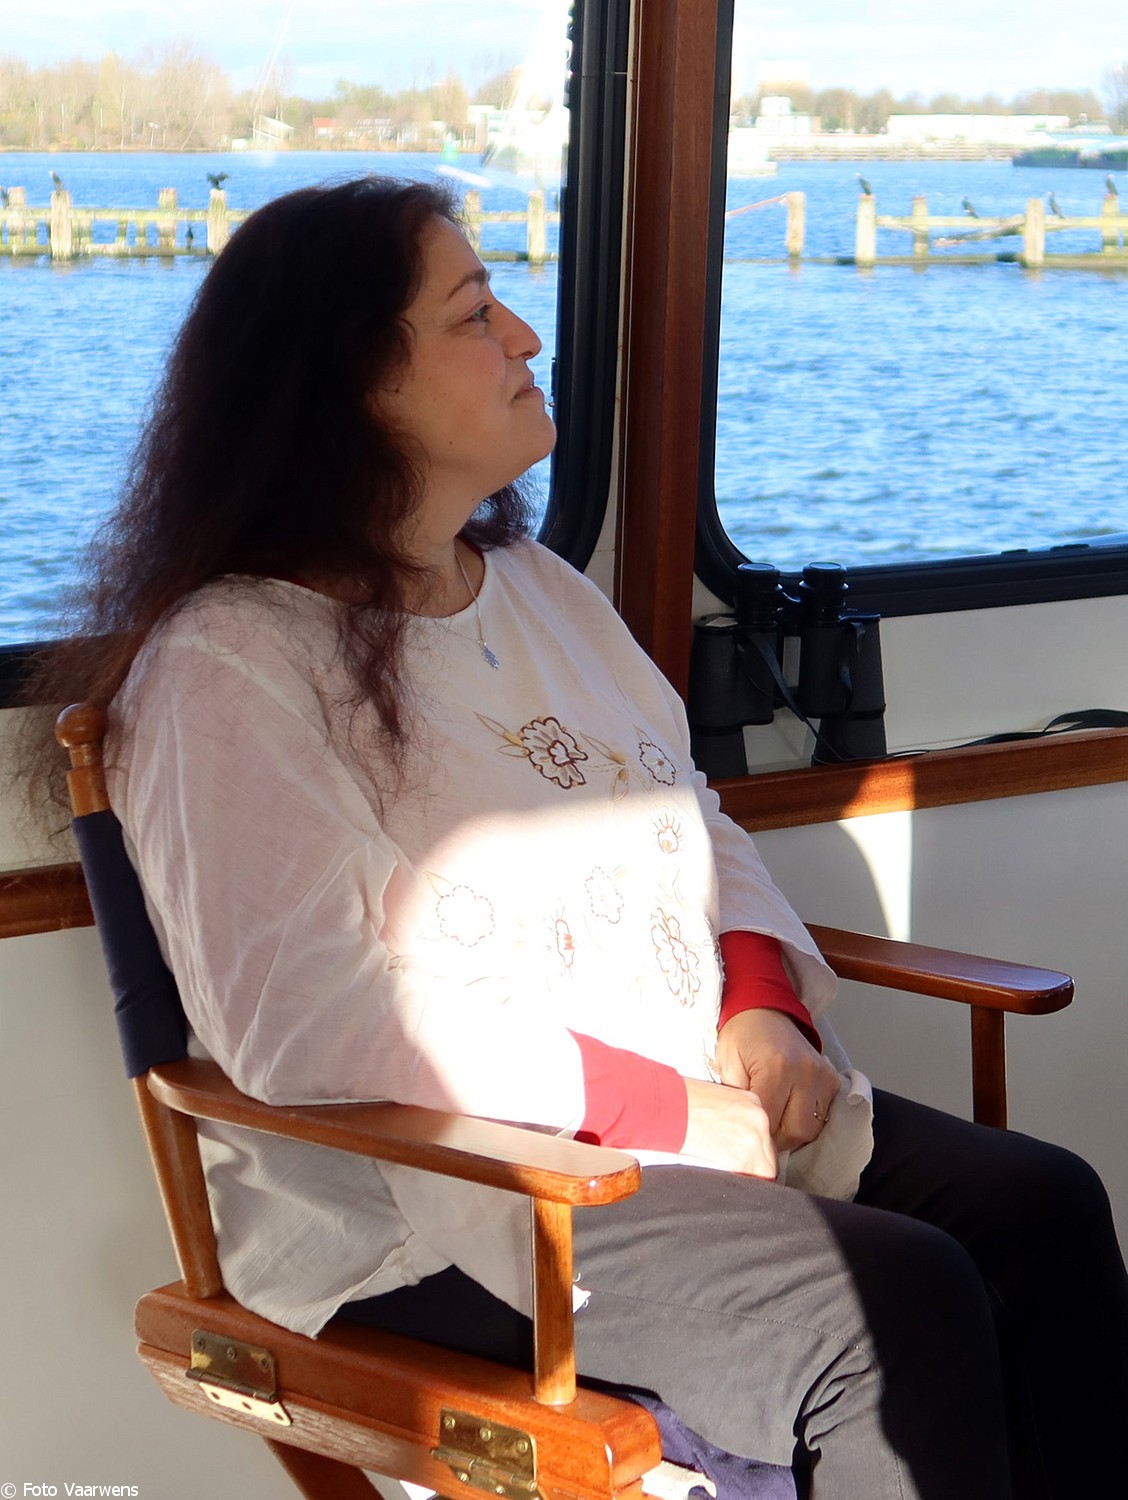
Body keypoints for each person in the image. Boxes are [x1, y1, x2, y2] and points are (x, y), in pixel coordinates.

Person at [35, 177, 1128, 1499]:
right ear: (355, 384)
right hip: (441, 1200)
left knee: (1043, 1207)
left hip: (695, 1106)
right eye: (473, 313)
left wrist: (763, 1007)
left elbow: (686, 813)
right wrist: (660, 1112)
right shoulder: (228, 668)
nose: (526, 338)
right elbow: (307, 1021)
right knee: (890, 1300)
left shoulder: (541, 587)